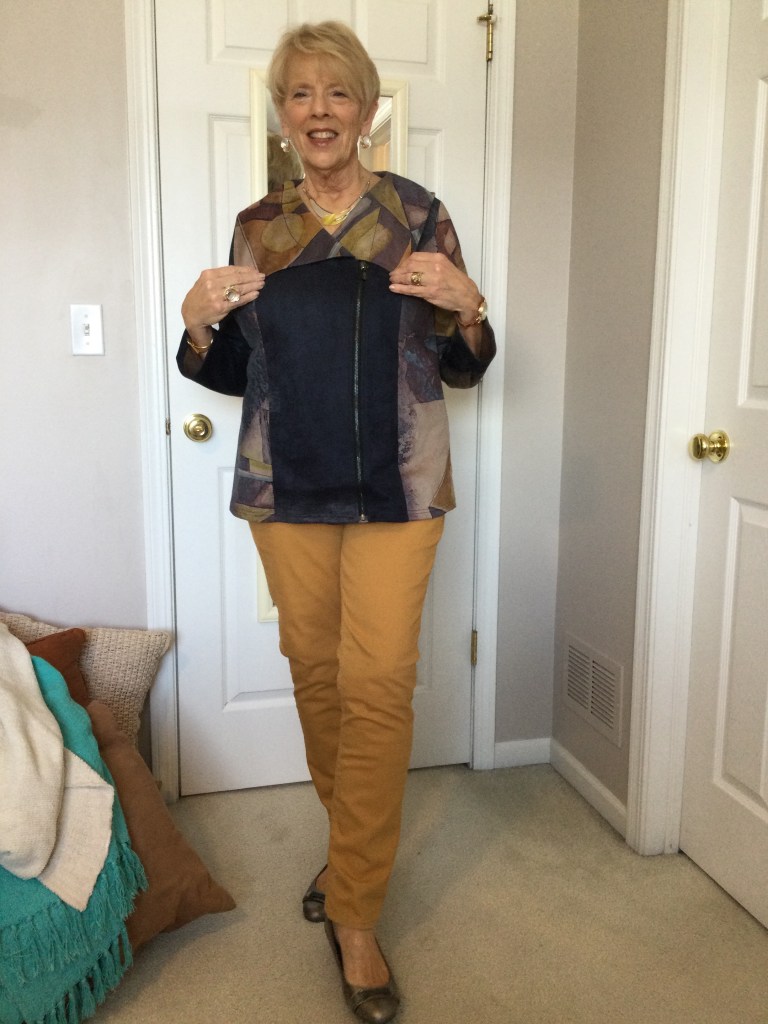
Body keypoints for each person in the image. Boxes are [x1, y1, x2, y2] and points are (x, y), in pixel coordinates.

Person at [177, 21, 495, 1024]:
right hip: (288, 487)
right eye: (300, 93)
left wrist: (470, 305)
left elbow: (464, 363)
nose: (319, 109)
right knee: (318, 675)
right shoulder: (258, 226)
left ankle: (355, 910)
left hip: (400, 484)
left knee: (380, 683)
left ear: (366, 109)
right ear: (284, 114)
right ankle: (347, 849)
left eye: (338, 92)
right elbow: (238, 370)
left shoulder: (417, 214)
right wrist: (195, 323)